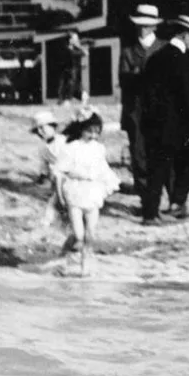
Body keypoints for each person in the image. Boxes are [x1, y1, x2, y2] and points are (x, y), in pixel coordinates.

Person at [135, 14, 189, 222]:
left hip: (152, 122)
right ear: (186, 35)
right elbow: (187, 96)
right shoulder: (181, 60)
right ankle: (156, 212)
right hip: (173, 125)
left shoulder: (156, 57)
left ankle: (160, 208)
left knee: (159, 166)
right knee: (179, 163)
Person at [55, 111, 114, 275]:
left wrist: (107, 186)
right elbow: (59, 173)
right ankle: (65, 257)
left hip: (93, 190)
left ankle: (85, 267)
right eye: (89, 131)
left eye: (97, 132)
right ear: (81, 129)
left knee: (90, 234)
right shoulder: (71, 148)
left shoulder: (99, 148)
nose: (93, 136)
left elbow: (103, 170)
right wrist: (59, 196)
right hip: (75, 190)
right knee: (78, 235)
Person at [119, 4, 162, 185]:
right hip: (135, 109)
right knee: (138, 149)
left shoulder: (165, 48)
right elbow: (124, 80)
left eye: (147, 25)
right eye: (140, 24)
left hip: (159, 108)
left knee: (158, 148)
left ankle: (158, 186)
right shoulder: (128, 51)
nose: (143, 28)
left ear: (155, 26)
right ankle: (143, 189)